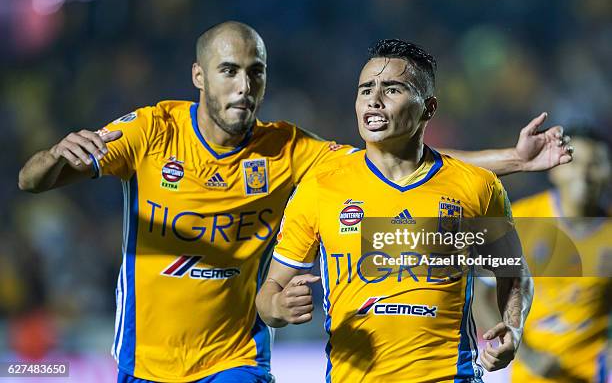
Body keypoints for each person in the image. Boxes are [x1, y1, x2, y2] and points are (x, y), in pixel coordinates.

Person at [18, 23, 569, 382]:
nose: (243, 86)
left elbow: (395, 157)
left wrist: (515, 161)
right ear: (198, 77)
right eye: (228, 71)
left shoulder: (291, 150)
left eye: (255, 72)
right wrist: (52, 155)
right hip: (145, 360)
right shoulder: (150, 131)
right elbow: (32, 181)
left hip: (237, 360)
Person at [256, 39, 536, 382]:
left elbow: (515, 274)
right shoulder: (320, 187)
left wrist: (513, 327)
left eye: (391, 89)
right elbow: (268, 295)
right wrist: (278, 308)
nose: (374, 100)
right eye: (365, 90)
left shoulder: (478, 186)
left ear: (428, 108)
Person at [477, 125, 611, 383]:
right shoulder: (519, 220)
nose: (583, 173)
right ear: (555, 169)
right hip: (523, 372)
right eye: (575, 162)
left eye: (595, 164)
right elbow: (481, 295)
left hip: (592, 373)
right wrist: (525, 353)